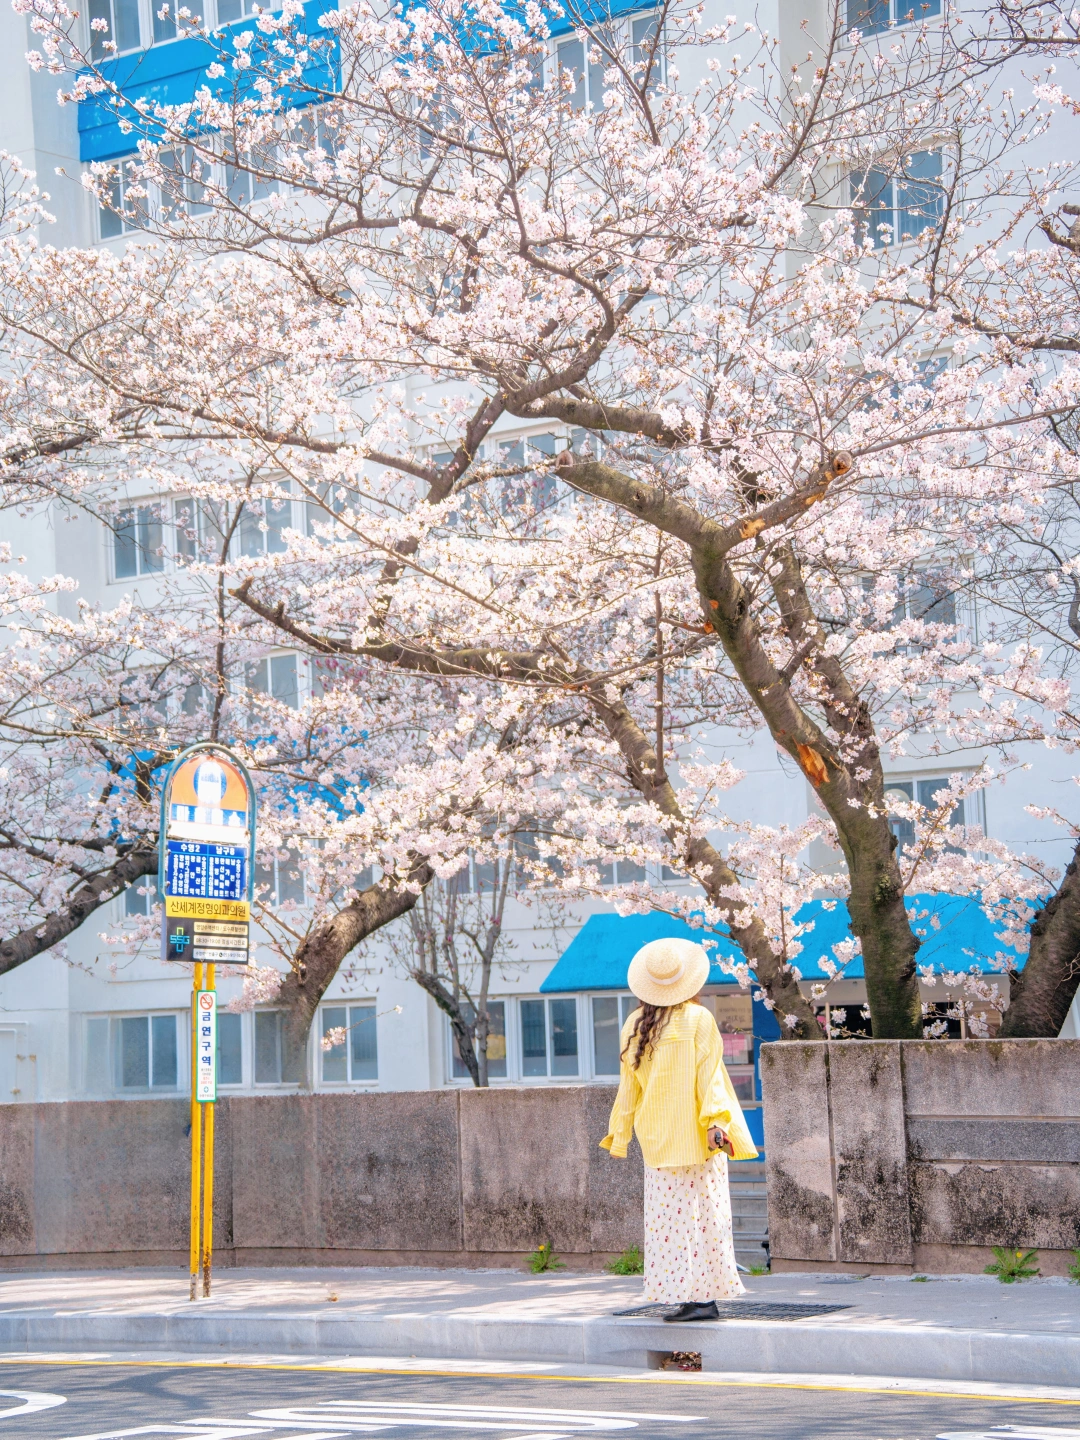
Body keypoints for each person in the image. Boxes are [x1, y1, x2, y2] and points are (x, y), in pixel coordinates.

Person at [600, 936, 758, 1322]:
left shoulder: (634, 1024)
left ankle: (685, 1295)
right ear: (688, 981)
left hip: (656, 1137)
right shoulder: (697, 1019)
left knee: (668, 1223)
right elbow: (711, 1080)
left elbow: (628, 1087)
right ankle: (703, 1299)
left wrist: (619, 1136)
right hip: (697, 1136)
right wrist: (717, 1123)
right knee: (705, 1216)